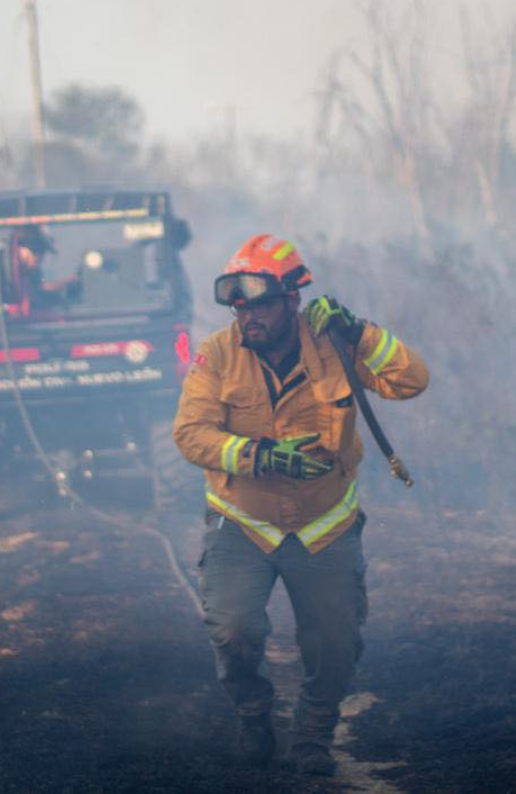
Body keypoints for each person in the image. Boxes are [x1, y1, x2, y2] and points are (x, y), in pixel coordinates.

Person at [173, 234, 429, 776]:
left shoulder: (336, 343)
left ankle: (313, 733)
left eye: (261, 303)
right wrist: (260, 456)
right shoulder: (217, 355)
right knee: (233, 630)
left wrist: (360, 332)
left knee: (335, 642)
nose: (249, 316)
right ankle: (253, 714)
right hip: (242, 522)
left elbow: (411, 381)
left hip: (326, 524)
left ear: (293, 299)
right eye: (239, 306)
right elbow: (190, 434)